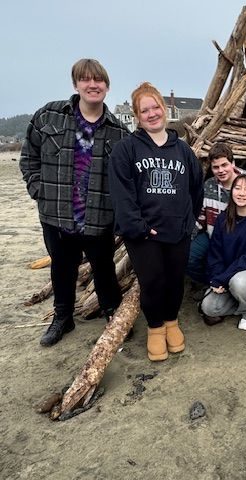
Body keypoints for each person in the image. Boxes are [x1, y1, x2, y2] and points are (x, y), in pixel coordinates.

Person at [19, 59, 129, 347]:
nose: (93, 85)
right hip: (56, 215)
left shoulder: (119, 132)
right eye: (85, 79)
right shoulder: (50, 116)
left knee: (104, 268)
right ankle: (63, 318)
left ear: (107, 86)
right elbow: (29, 157)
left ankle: (111, 313)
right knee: (62, 268)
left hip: (98, 216)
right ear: (76, 84)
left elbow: (125, 178)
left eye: (98, 80)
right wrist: (38, 190)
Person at [108, 82, 203, 362]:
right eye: (144, 110)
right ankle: (156, 328)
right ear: (137, 116)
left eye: (155, 107)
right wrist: (137, 227)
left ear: (164, 109)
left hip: (178, 231)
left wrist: (188, 221)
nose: (152, 114)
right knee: (152, 282)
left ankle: (172, 322)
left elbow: (196, 188)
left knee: (175, 280)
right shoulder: (126, 149)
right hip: (143, 234)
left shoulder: (183, 151)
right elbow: (122, 193)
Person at [187, 142, 246, 319]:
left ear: (233, 164)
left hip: (245, 241)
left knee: (241, 274)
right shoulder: (209, 186)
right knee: (188, 255)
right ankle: (215, 285)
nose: (221, 170)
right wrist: (187, 239)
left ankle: (243, 296)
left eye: (224, 165)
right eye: (216, 167)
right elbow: (201, 217)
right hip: (216, 236)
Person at [200, 174, 246, 331]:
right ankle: (241, 301)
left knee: (239, 282)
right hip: (226, 274)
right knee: (208, 307)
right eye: (237, 188)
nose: (242, 193)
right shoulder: (222, 219)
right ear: (231, 192)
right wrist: (216, 278)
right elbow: (215, 253)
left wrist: (222, 279)